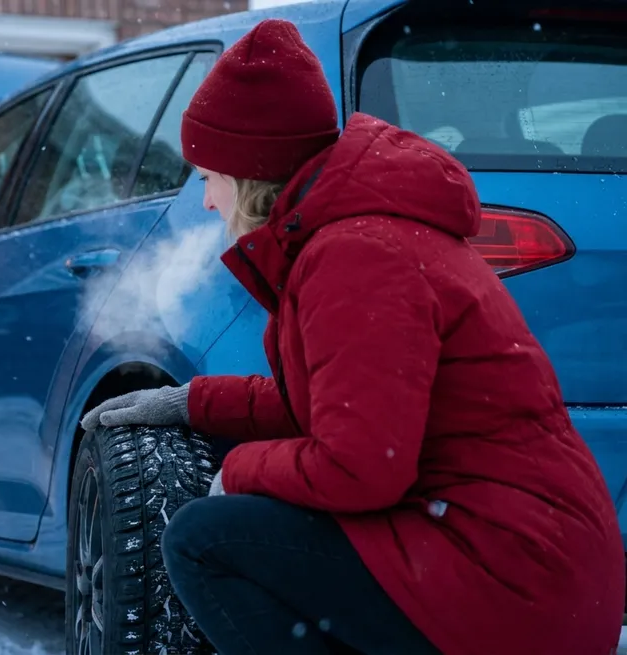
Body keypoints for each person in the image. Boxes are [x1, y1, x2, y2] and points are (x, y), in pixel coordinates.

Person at [80, 18, 625, 655]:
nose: (206, 202)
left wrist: (238, 469)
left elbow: (360, 467)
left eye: (207, 178)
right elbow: (339, 406)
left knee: (205, 539)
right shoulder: (354, 239)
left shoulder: (356, 256)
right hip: (521, 562)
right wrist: (194, 402)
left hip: (511, 579)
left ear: (249, 175)